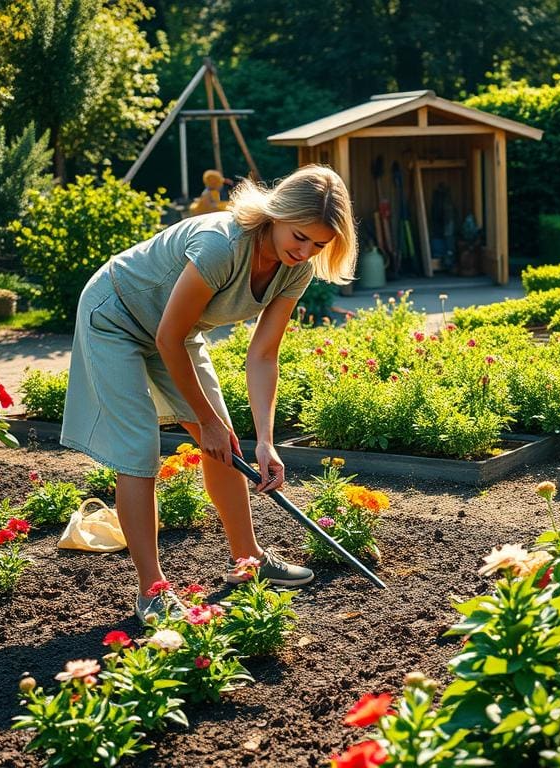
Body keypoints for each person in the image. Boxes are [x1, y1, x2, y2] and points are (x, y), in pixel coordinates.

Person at [61, 165, 357, 622]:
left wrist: (265, 441)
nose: (305, 252)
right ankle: (152, 592)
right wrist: (206, 422)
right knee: (139, 448)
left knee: (227, 444)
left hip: (175, 332)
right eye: (299, 237)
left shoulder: (295, 270)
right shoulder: (223, 244)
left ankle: (249, 560)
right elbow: (166, 337)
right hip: (116, 316)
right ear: (276, 214)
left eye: (319, 245)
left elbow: (263, 355)